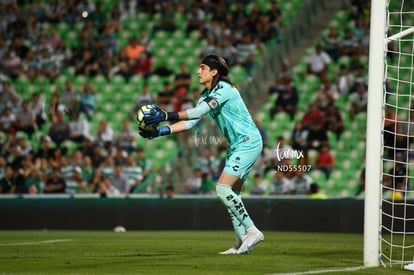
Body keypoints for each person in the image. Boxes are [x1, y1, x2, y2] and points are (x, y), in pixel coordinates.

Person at [139, 54, 264, 254]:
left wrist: (166, 115)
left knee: (223, 189)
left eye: (203, 68)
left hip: (247, 142)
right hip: (237, 145)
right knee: (233, 193)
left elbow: (198, 112)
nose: (198, 71)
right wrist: (159, 131)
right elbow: (190, 123)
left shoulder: (224, 89)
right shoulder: (205, 96)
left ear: (214, 72)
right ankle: (241, 241)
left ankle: (253, 231)